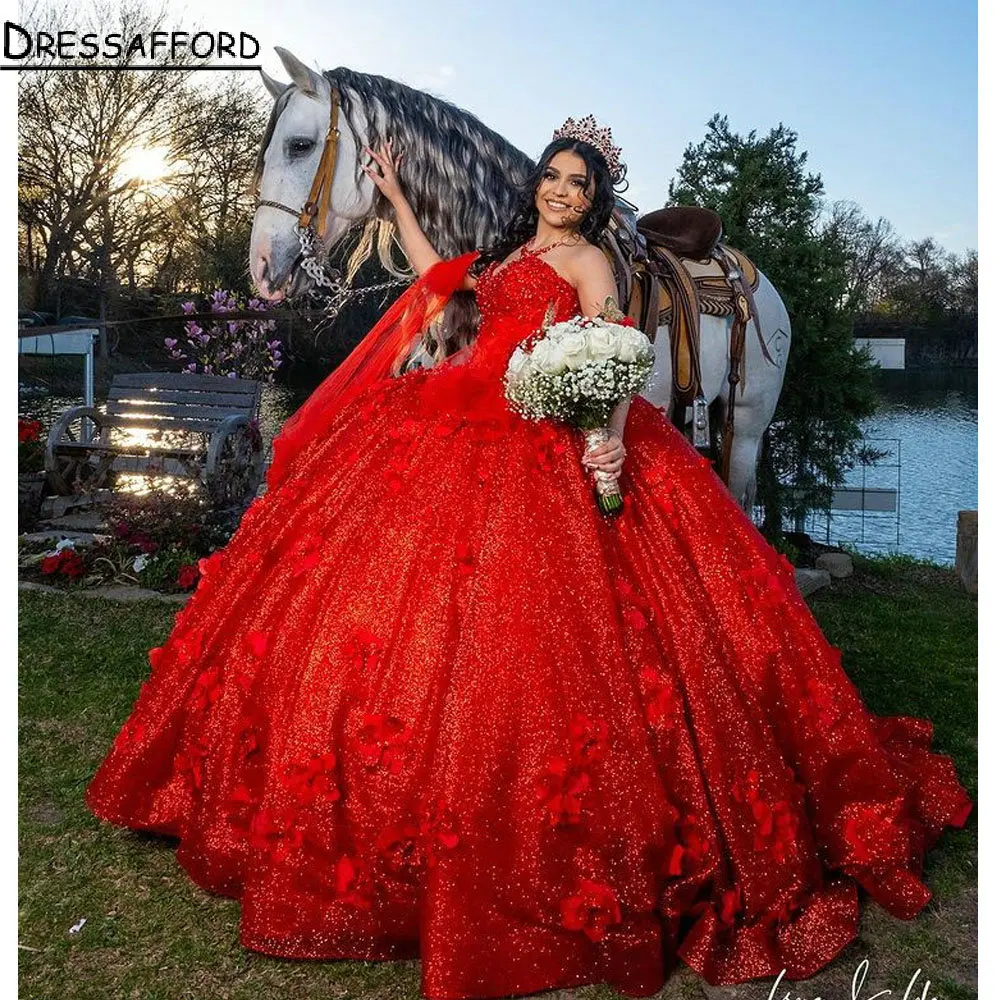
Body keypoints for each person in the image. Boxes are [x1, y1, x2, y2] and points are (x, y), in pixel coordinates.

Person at [85, 116, 971, 1000]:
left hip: (541, 436)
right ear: (537, 182)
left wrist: (611, 446)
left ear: (595, 201)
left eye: (580, 184)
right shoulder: (506, 258)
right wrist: (392, 195)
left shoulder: (590, 262)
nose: (563, 192)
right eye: (554, 176)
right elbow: (439, 279)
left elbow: (618, 355)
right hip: (460, 414)